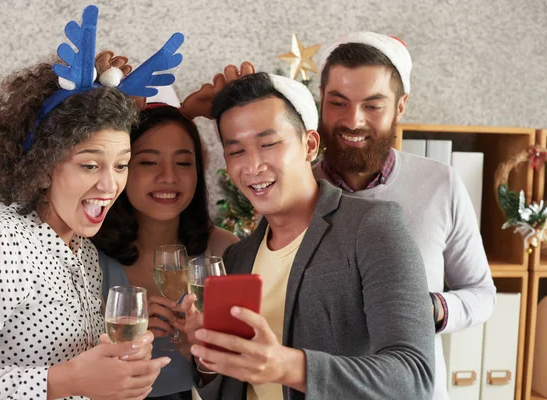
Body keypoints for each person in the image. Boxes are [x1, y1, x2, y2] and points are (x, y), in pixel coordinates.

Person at [0, 5, 184, 399]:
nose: (110, 184)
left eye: (122, 165)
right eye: (90, 165)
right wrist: (62, 382)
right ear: (41, 168)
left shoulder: (83, 254)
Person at [181, 71, 435, 399]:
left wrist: (287, 366)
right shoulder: (238, 256)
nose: (253, 165)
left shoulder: (371, 228)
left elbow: (413, 377)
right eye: (236, 151)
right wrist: (207, 359)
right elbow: (233, 385)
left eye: (268, 144)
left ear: (309, 145)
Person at [313, 31, 496, 399]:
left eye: (373, 105)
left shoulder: (440, 184)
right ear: (321, 102)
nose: (354, 120)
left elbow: (482, 294)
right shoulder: (297, 188)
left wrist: (434, 308)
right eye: (338, 103)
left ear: (400, 106)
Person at [93, 103, 239, 399]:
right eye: (148, 163)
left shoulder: (224, 252)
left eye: (184, 163)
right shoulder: (88, 254)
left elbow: (238, 381)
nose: (169, 177)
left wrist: (200, 352)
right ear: (121, 167)